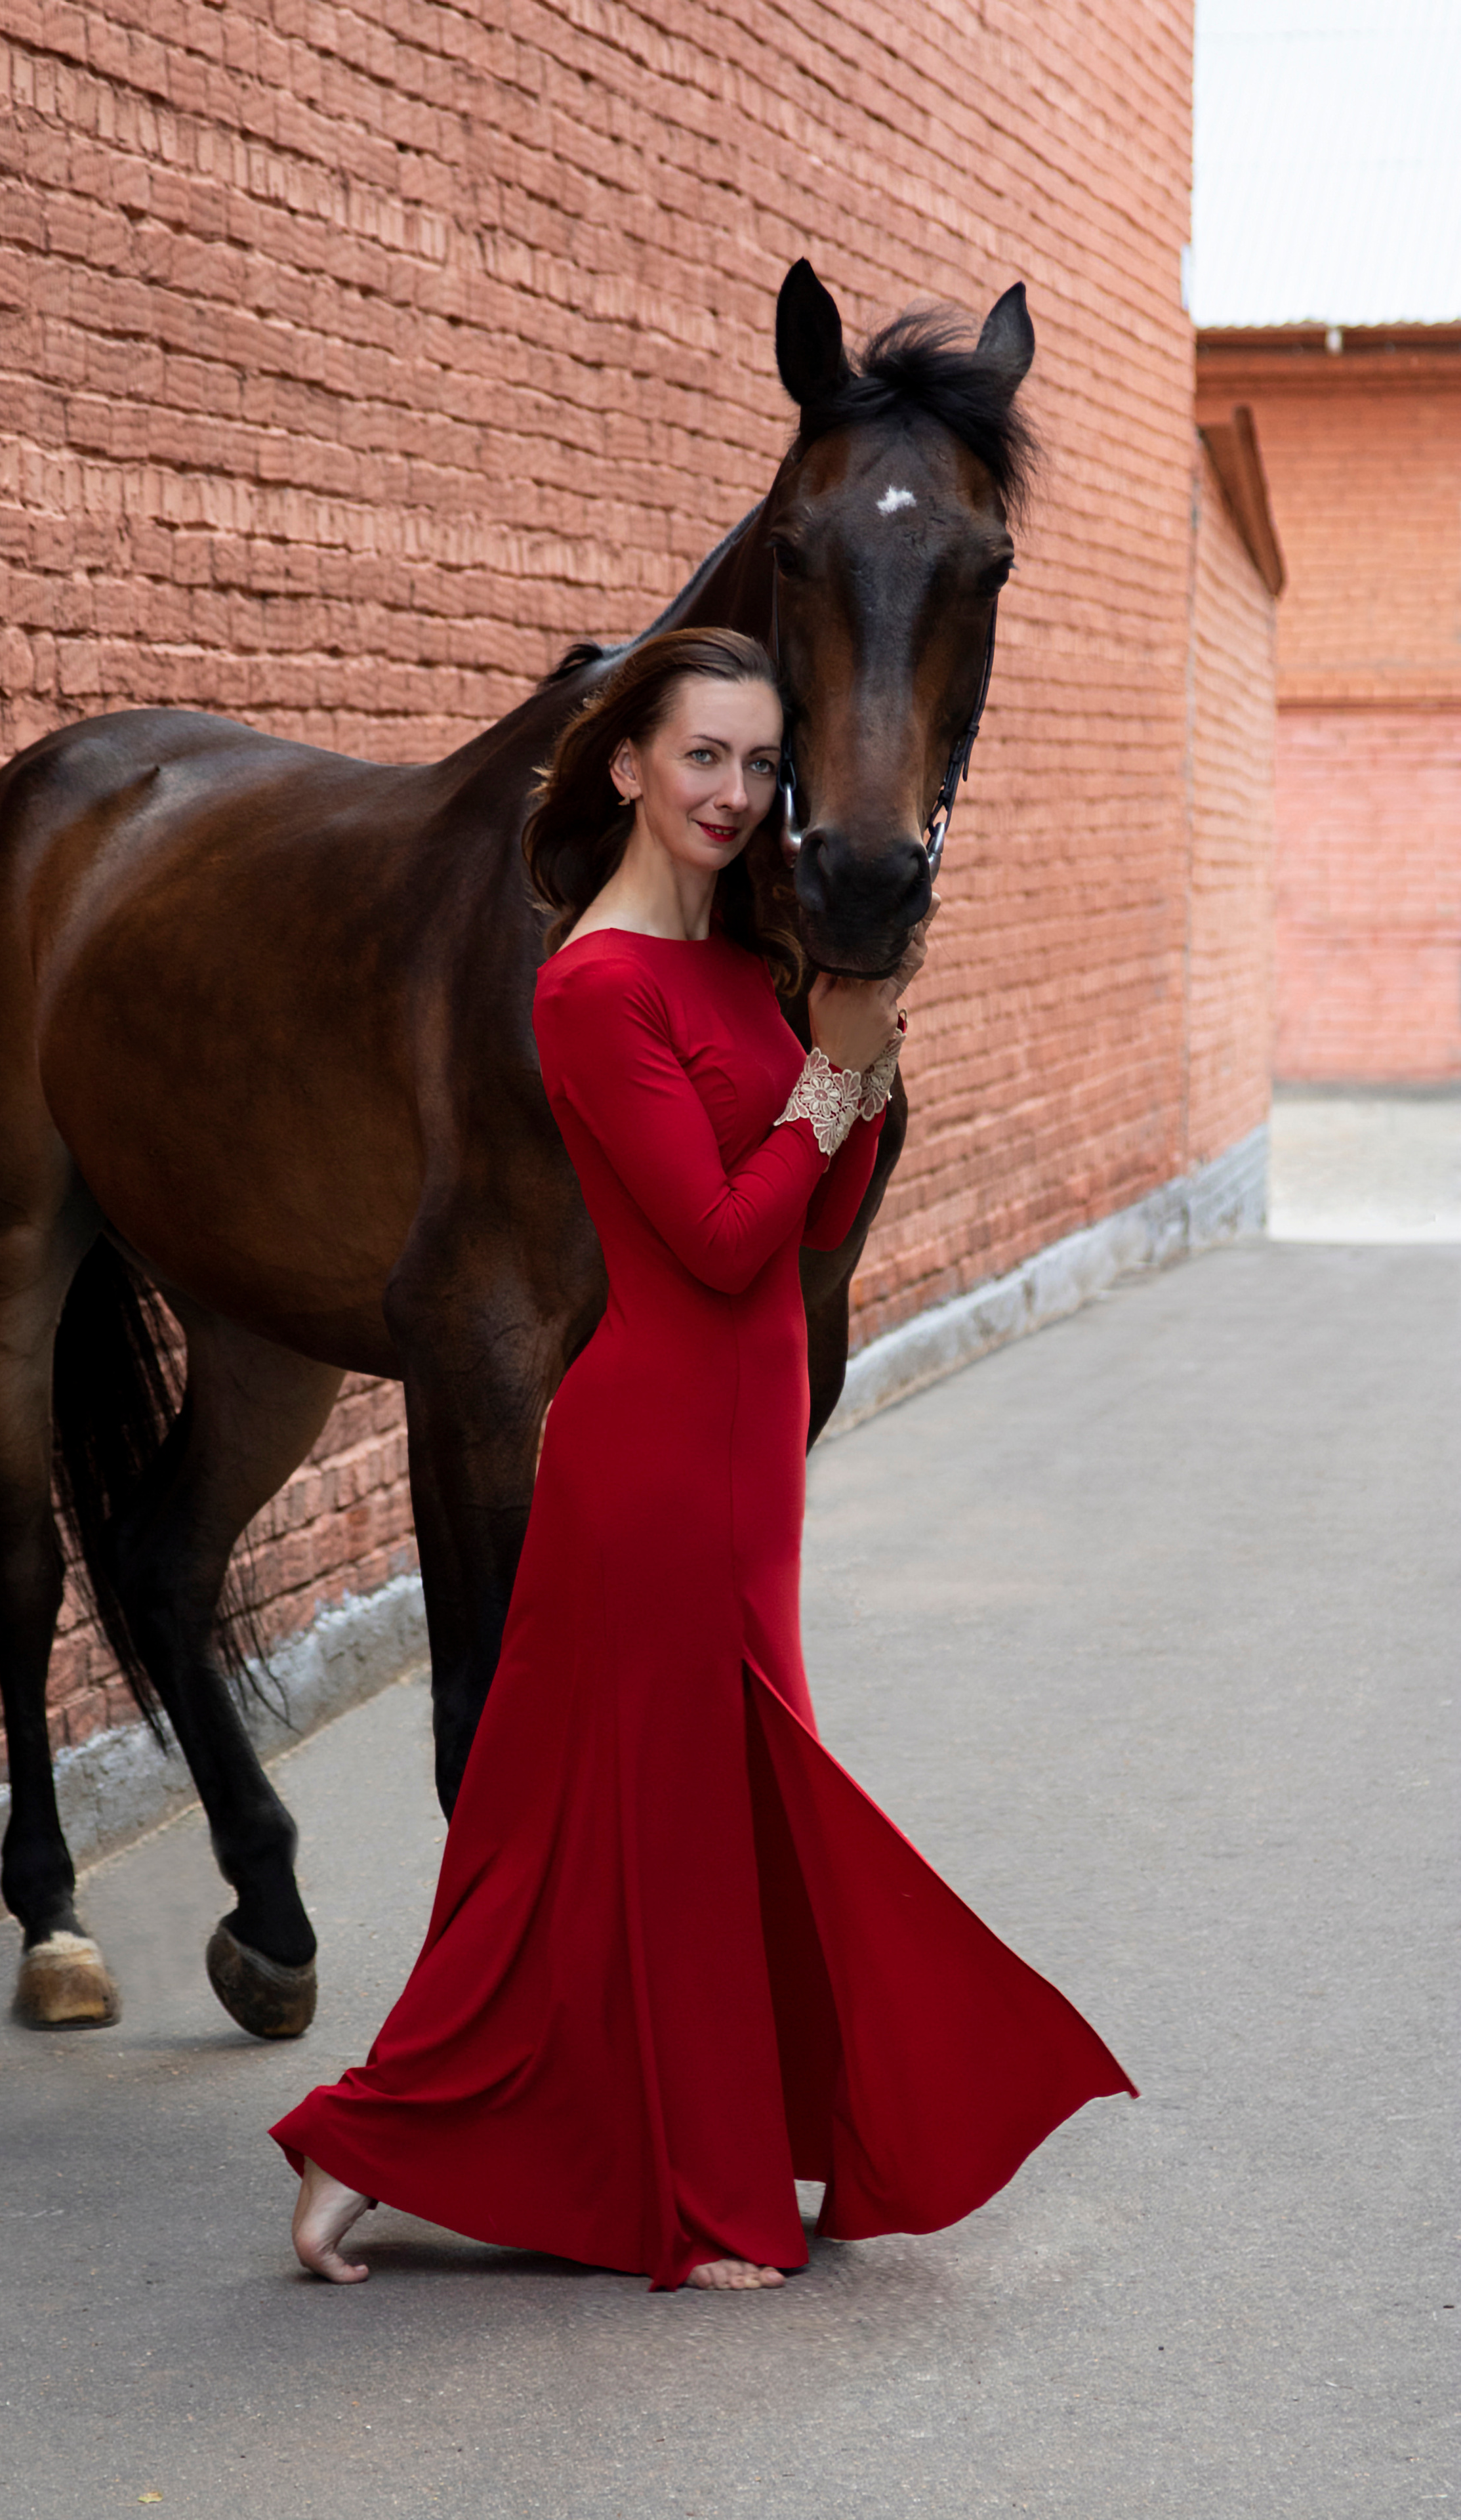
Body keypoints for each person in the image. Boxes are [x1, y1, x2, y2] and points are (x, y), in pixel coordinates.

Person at [270, 627, 1134, 2292]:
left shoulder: (743, 972)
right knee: (659, 1834)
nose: (735, 795)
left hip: (748, 1471)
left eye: (757, 765)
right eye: (702, 760)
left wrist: (851, 1055)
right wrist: (838, 1061)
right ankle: (682, 2183)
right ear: (627, 770)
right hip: (653, 1462)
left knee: (646, 1829)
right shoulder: (588, 989)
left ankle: (391, 2141)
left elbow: (812, 1215)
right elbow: (722, 1244)